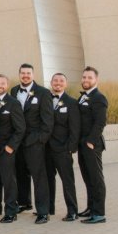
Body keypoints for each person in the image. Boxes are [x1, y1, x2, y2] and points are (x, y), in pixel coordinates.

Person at [10, 63, 53, 224]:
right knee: (20, 173)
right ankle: (24, 202)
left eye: (28, 73)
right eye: (23, 73)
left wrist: (38, 140)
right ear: (19, 74)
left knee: (39, 177)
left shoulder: (43, 93)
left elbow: (47, 123)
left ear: (33, 75)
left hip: (34, 142)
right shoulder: (14, 91)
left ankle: (43, 211)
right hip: (17, 142)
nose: (25, 75)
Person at [0, 74, 25, 223]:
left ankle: (11, 211)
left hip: (6, 149)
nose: (0, 85)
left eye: (3, 83)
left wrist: (11, 147)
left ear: (7, 85)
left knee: (8, 180)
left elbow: (20, 128)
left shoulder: (14, 103)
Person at [46, 73, 80, 221]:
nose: (58, 83)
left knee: (67, 180)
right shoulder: (45, 99)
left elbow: (75, 128)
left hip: (63, 149)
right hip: (46, 149)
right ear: (51, 83)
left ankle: (72, 211)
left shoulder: (71, 103)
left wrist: (70, 148)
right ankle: (48, 208)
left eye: (61, 81)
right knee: (47, 180)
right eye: (55, 80)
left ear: (65, 84)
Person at [77, 66, 108, 224]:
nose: (86, 80)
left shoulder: (99, 98)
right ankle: (90, 208)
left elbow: (100, 122)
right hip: (82, 144)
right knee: (87, 177)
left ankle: (99, 213)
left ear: (96, 80)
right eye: (84, 77)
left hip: (92, 145)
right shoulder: (84, 96)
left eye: (89, 78)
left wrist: (90, 141)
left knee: (96, 179)